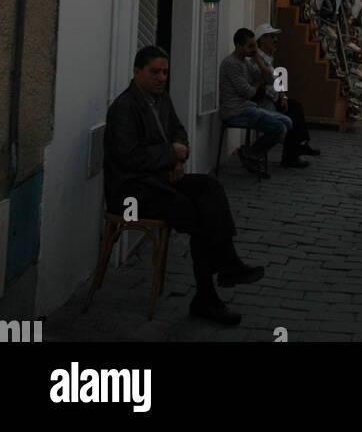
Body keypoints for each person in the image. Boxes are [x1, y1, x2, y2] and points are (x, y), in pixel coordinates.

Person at [104, 45, 264, 326]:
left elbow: (178, 132)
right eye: (155, 72)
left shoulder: (162, 99)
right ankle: (209, 292)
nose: (161, 78)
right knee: (199, 216)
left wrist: (180, 155)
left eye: (165, 72)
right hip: (133, 193)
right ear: (137, 72)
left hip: (162, 180)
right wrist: (171, 155)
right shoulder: (123, 108)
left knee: (209, 188)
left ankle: (226, 267)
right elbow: (129, 156)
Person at [218, 28, 291, 172]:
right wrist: (257, 84)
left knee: (287, 122)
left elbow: (270, 80)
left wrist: (258, 60)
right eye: (250, 46)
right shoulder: (231, 64)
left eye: (255, 46)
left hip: (247, 107)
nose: (253, 50)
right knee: (280, 128)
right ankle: (252, 153)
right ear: (239, 46)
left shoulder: (246, 62)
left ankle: (251, 153)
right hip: (235, 111)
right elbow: (248, 92)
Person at [250, 24, 321, 167]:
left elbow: (277, 78)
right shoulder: (257, 59)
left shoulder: (268, 57)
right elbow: (267, 79)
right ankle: (295, 151)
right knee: (293, 112)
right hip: (265, 100)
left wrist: (283, 95)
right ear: (262, 39)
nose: (275, 40)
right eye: (271, 37)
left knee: (294, 107)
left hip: (274, 97)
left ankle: (297, 148)